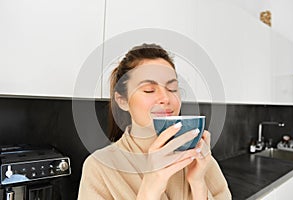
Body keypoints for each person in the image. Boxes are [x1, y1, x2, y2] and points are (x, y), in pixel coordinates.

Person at [78, 43, 231, 200]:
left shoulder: (200, 157)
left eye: (172, 89)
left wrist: (198, 183)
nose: (166, 98)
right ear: (122, 100)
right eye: (149, 90)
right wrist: (151, 187)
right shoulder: (99, 167)